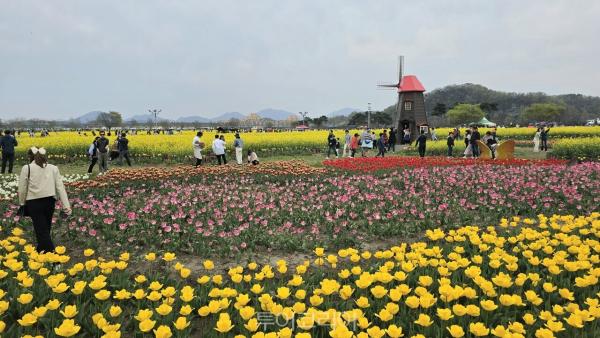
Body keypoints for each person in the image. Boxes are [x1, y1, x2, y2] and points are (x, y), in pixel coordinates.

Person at [18, 147, 71, 253]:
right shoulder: (53, 168)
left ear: (30, 156)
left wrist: (22, 203)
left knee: (41, 231)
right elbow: (60, 187)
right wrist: (66, 206)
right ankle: (40, 252)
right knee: (45, 228)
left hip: (34, 203)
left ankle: (54, 260)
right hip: (49, 202)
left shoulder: (27, 168)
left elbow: (22, 189)